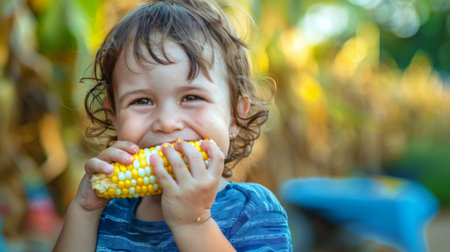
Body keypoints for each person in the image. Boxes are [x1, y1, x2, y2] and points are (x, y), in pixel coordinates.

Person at [53, 0, 292, 251]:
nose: (167, 123)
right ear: (114, 116)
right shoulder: (107, 214)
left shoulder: (252, 210)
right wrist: (83, 211)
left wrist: (194, 223)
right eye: (141, 101)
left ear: (234, 116)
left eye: (191, 97)